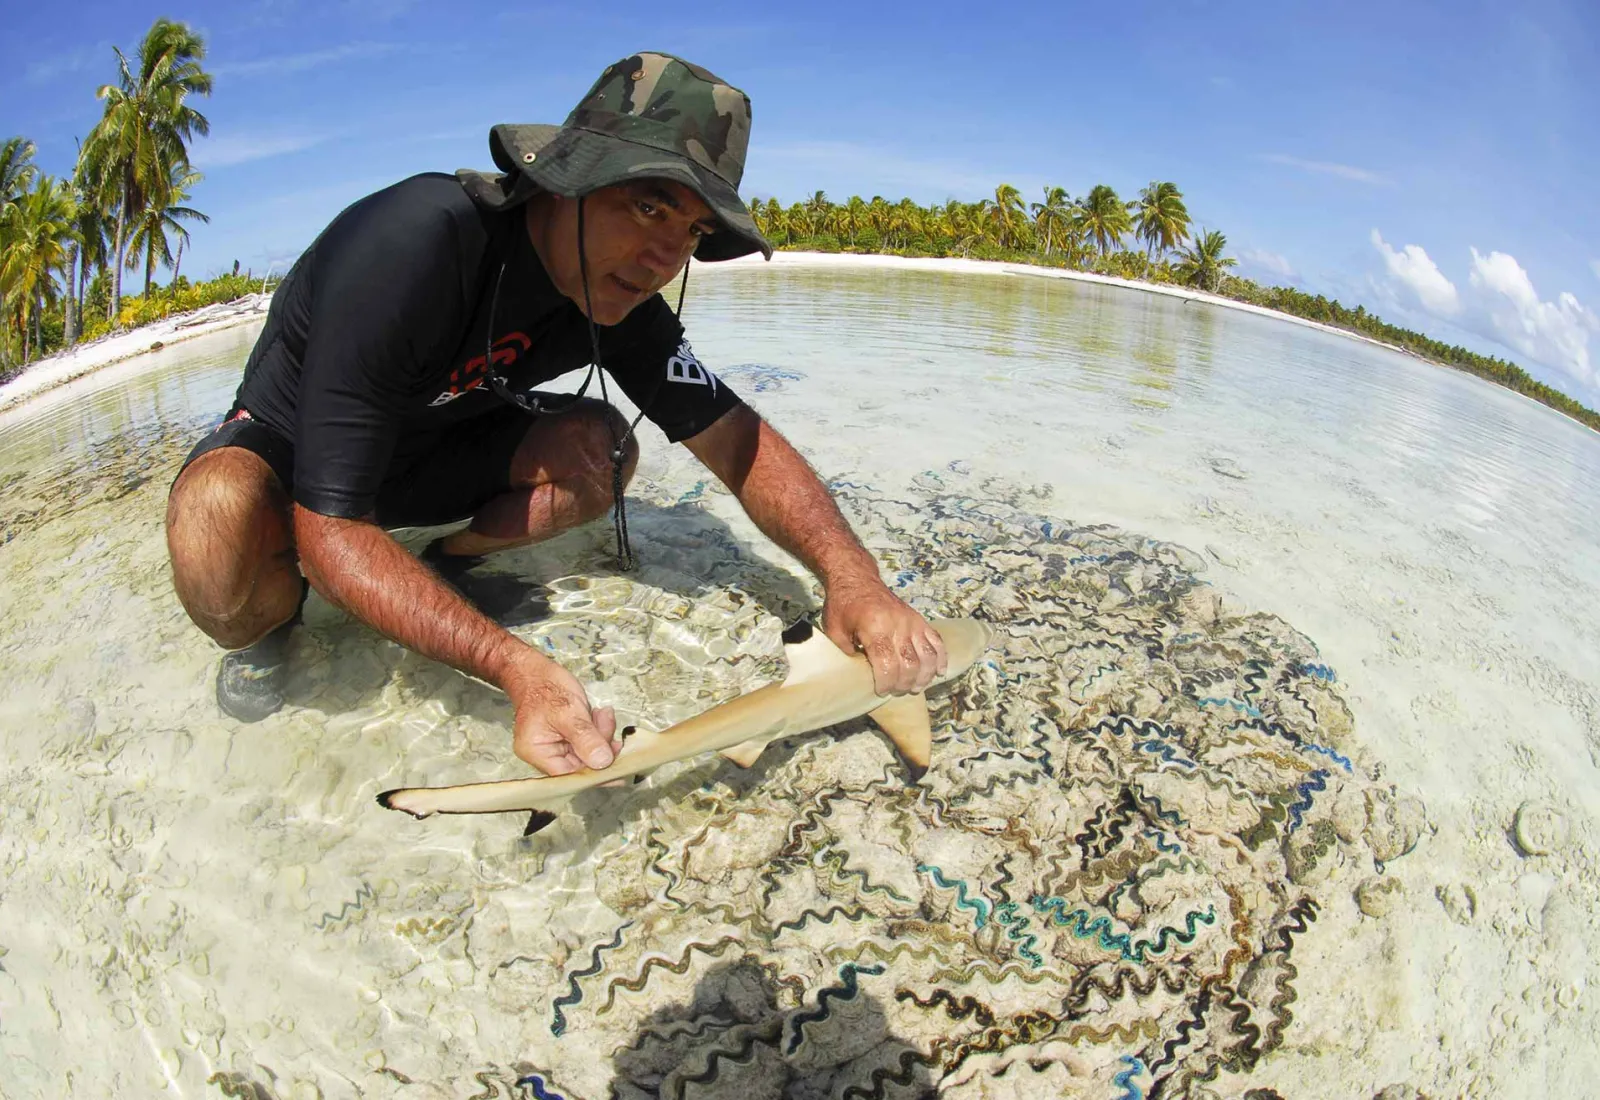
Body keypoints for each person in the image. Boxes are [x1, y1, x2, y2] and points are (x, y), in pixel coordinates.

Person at [165, 52, 947, 778]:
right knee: (214, 520)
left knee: (600, 452)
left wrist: (855, 578)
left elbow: (736, 439)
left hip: (434, 450)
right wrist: (513, 666)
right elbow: (331, 529)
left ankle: (448, 562)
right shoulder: (415, 245)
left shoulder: (619, 292)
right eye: (648, 206)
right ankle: (266, 633)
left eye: (692, 232)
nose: (665, 256)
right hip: (298, 455)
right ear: (570, 180)